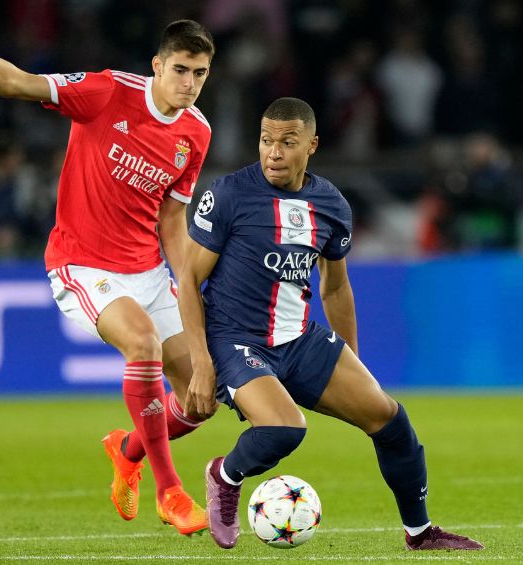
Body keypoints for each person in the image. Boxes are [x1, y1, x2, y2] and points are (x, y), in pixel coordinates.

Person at [0, 6, 215, 535]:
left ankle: (127, 449)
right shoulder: (108, 92)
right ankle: (170, 491)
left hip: (149, 270)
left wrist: (186, 284)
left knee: (202, 399)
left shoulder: (196, 133)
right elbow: (16, 83)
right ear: (157, 65)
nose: (190, 83)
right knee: (143, 344)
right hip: (83, 264)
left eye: (200, 73)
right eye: (180, 69)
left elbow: (173, 219)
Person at [178, 97, 485, 551]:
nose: (274, 152)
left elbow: (336, 288)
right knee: (285, 428)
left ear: (312, 145)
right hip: (236, 340)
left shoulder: (330, 204)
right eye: (266, 141)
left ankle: (420, 533)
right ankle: (224, 475)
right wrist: (202, 362)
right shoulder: (227, 195)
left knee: (390, 418)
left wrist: (351, 359)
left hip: (299, 340)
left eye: (287, 142)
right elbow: (187, 279)